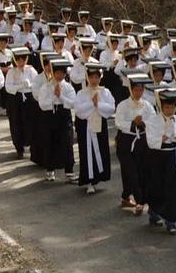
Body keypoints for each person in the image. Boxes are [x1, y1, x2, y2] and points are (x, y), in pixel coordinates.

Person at [145, 89, 176, 233]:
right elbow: (150, 141)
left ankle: (171, 220)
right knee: (157, 186)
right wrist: (162, 137)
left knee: (174, 188)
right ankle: (154, 213)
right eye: (166, 107)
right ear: (161, 107)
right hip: (158, 156)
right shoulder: (153, 121)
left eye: (172, 107)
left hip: (173, 156)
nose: (169, 110)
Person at [114, 73, 154, 214]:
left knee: (140, 170)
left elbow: (153, 121)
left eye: (141, 90)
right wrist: (132, 124)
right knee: (131, 171)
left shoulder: (147, 105)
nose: (138, 93)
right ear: (130, 89)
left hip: (141, 141)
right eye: (136, 90)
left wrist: (143, 123)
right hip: (126, 141)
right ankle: (140, 201)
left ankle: (126, 196)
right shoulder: (123, 105)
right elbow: (118, 122)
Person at [75, 62, 116, 194]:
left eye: (96, 77)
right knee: (87, 152)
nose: (94, 80)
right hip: (85, 126)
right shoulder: (81, 93)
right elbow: (78, 110)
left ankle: (98, 178)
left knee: (101, 150)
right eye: (91, 77)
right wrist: (91, 104)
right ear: (87, 77)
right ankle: (89, 181)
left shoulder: (105, 91)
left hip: (99, 125)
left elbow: (111, 108)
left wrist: (98, 105)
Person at [35, 59, 77, 182]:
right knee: (50, 142)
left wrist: (61, 97)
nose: (59, 76)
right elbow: (42, 104)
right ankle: (50, 170)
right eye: (57, 73)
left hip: (64, 115)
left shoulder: (68, 87)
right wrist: (54, 97)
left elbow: (73, 103)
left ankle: (69, 171)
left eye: (62, 73)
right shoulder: (46, 86)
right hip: (50, 116)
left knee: (67, 142)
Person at [3, 48, 38, 159]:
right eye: (18, 60)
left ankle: (31, 144)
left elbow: (37, 83)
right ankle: (19, 147)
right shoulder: (12, 71)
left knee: (30, 122)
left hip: (29, 98)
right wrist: (19, 86)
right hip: (16, 98)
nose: (21, 62)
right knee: (16, 123)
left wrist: (29, 85)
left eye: (23, 59)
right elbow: (8, 87)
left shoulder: (31, 70)